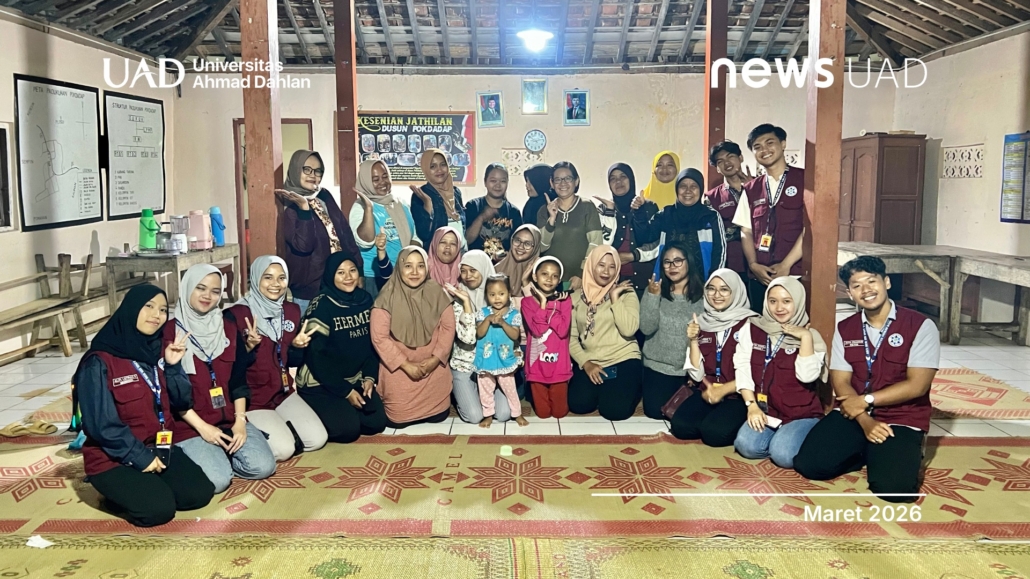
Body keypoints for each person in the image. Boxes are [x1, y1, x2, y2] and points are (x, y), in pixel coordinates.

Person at [794, 256, 939, 503]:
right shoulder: (846, 328)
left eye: (872, 281)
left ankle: (897, 450)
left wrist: (866, 401)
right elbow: (841, 381)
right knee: (810, 465)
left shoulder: (921, 325)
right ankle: (867, 450)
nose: (866, 290)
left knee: (894, 489)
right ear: (850, 293)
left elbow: (918, 385)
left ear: (886, 282)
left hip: (901, 415)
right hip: (855, 412)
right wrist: (865, 420)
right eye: (857, 285)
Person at [76, 285, 214, 527]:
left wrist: (173, 367)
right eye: (148, 306)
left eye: (162, 309)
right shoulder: (99, 361)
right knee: (158, 511)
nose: (156, 315)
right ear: (131, 309)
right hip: (113, 457)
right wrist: (140, 458)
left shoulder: (160, 350)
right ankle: (113, 494)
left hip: (159, 447)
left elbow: (182, 402)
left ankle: (142, 488)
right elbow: (101, 426)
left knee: (199, 494)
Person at [166, 265, 276, 494]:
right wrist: (203, 428)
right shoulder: (169, 333)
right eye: (200, 288)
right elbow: (172, 395)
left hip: (227, 419)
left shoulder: (227, 326)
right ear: (187, 288)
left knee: (263, 467)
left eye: (215, 291)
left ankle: (220, 454)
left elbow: (238, 380)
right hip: (190, 425)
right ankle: (211, 459)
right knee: (217, 481)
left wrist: (240, 422)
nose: (207, 296)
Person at [229, 256, 327, 461]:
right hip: (254, 400)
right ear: (256, 278)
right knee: (284, 450)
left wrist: (297, 347)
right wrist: (247, 348)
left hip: (282, 392)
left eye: (281, 278)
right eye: (268, 277)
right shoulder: (237, 314)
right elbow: (229, 368)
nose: (276, 284)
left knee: (317, 439)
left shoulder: (290, 311)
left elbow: (290, 361)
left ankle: (282, 430)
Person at [732, 277, 828, 469]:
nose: (779, 308)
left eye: (786, 301)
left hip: (801, 413)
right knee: (746, 446)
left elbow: (807, 376)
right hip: (767, 410)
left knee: (783, 456)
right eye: (773, 301)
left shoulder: (811, 337)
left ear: (798, 302)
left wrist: (805, 337)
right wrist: (751, 406)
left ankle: (801, 434)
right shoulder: (753, 329)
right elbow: (742, 368)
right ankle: (782, 437)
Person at [295, 251, 388, 443]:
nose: (348, 277)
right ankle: (307, 414)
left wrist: (369, 377)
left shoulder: (365, 299)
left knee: (376, 423)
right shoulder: (321, 305)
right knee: (348, 431)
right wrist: (345, 392)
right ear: (331, 275)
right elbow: (316, 358)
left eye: (352, 270)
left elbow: (372, 344)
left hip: (353, 378)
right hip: (320, 383)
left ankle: (341, 411)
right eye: (341, 272)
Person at [371, 247, 457, 429]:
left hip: (433, 371)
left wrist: (435, 359)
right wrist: (406, 365)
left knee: (439, 415)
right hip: (400, 371)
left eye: (420, 266)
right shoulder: (386, 296)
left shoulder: (437, 292)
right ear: (399, 268)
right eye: (408, 266)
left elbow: (448, 327)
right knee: (397, 420)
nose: (415, 272)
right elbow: (380, 338)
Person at [671, 269, 757, 446]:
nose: (716, 295)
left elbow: (755, 372)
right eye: (711, 289)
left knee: (714, 435)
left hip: (738, 395)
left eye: (724, 289)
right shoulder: (701, 323)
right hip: (708, 391)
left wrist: (723, 390)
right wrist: (693, 340)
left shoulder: (751, 323)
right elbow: (696, 376)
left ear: (735, 291)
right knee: (681, 427)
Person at [275, 149, 363, 313]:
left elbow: (345, 234)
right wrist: (304, 208)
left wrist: (359, 269)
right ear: (296, 169)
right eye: (307, 169)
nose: (313, 175)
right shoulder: (287, 203)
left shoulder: (323, 195)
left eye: (318, 171)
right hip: (309, 291)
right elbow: (304, 245)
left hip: (337, 284)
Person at [732, 124, 806, 312]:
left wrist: (786, 265)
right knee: (760, 325)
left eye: (770, 143)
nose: (764, 150)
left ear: (783, 144)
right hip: (760, 276)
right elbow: (746, 231)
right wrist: (753, 265)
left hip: (795, 274)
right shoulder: (751, 188)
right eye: (757, 147)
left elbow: (811, 229)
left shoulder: (805, 180)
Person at [568, 246, 642, 420]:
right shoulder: (576, 297)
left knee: (614, 411)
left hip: (622, 358)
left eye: (612, 267)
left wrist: (615, 299)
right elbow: (570, 338)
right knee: (578, 404)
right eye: (601, 265)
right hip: (592, 360)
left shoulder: (626, 292)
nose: (606, 272)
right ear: (591, 265)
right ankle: (607, 388)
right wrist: (586, 363)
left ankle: (632, 385)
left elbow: (629, 329)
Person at [444, 250, 514, 424]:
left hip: (494, 365)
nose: (468, 276)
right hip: (465, 365)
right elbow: (468, 339)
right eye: (463, 271)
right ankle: (469, 392)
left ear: (484, 269)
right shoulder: (457, 300)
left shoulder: (499, 297)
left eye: (473, 270)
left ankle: (480, 392)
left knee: (503, 414)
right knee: (475, 416)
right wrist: (467, 304)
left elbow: (510, 335)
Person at [639, 243, 705, 419]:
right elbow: (646, 328)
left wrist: (697, 371)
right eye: (667, 262)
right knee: (655, 412)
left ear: (689, 262)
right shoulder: (654, 290)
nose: (672, 266)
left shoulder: (704, 295)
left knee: (686, 416)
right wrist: (652, 296)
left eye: (677, 261)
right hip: (658, 367)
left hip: (689, 370)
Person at [632, 168, 727, 281]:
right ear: (677, 189)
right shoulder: (665, 214)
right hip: (668, 285)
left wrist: (713, 282)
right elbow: (644, 237)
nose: (688, 191)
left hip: (702, 285)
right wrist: (639, 211)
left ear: (701, 189)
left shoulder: (711, 216)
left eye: (693, 186)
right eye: (683, 186)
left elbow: (719, 252)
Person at [350, 159, 420, 297]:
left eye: (385, 176)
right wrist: (369, 208)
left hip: (402, 274)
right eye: (375, 179)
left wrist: (409, 262)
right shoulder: (360, 207)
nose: (382, 182)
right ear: (366, 182)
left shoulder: (400, 203)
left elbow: (415, 236)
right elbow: (364, 242)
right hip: (373, 277)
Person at [537, 161, 603, 291]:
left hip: (579, 280)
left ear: (576, 181)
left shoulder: (587, 206)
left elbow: (596, 243)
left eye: (568, 178)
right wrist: (551, 220)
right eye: (558, 179)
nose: (563, 183)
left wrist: (581, 273)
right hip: (550, 282)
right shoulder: (544, 210)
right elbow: (541, 247)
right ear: (551, 183)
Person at [595, 163, 659, 294]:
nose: (618, 181)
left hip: (645, 282)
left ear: (631, 179)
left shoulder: (648, 207)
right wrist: (609, 212)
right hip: (611, 282)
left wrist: (633, 256)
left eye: (623, 176)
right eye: (613, 178)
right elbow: (599, 245)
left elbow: (657, 244)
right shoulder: (604, 209)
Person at [522, 257, 573, 419]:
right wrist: (544, 304)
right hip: (536, 365)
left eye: (554, 276)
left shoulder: (565, 301)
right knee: (543, 414)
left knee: (559, 413)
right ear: (535, 277)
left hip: (559, 365)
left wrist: (552, 305)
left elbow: (562, 330)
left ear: (559, 281)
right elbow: (538, 330)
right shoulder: (527, 302)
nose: (549, 279)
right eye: (544, 274)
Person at [474, 275, 528, 428]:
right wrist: (487, 320)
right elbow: (479, 334)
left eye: (501, 294)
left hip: (505, 360)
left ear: (509, 294)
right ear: (487, 296)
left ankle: (517, 413)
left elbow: (515, 335)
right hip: (486, 361)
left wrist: (503, 323)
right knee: (485, 389)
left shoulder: (514, 314)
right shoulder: (483, 313)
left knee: (510, 389)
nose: (497, 298)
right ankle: (488, 415)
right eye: (492, 294)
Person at [706, 141, 753, 277]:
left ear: (741, 158)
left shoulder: (761, 186)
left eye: (731, 156)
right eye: (720, 161)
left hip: (762, 260)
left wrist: (753, 190)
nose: (727, 163)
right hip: (732, 263)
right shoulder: (712, 197)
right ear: (717, 168)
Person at [464, 163, 523, 258]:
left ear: (507, 183)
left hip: (503, 264)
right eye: (493, 181)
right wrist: (482, 217)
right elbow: (467, 240)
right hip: (476, 263)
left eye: (503, 181)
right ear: (485, 182)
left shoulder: (514, 212)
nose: (498, 185)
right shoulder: (473, 206)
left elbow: (518, 245)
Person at [410, 149, 466, 247]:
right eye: (433, 166)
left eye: (443, 164)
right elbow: (423, 234)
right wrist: (428, 204)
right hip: (437, 253)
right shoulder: (420, 195)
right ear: (425, 169)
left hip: (459, 251)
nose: (439, 170)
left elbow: (462, 226)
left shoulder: (456, 192)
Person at [494, 224, 542, 296]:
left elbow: (538, 302)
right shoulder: (496, 270)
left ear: (535, 247)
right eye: (517, 240)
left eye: (527, 244)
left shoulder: (540, 274)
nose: (520, 247)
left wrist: (525, 281)